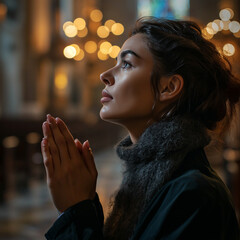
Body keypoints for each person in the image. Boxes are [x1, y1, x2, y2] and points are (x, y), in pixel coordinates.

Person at [41, 17, 240, 239]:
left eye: (126, 64)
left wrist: (75, 211)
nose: (104, 76)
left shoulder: (194, 194)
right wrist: (85, 206)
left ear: (169, 87)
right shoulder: (156, 178)